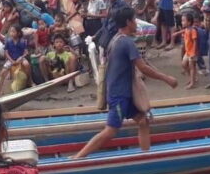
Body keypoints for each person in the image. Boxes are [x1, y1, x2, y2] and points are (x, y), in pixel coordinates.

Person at [72, 8, 177, 159]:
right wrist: (167, 79)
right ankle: (78, 158)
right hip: (119, 94)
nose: (136, 23)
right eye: (134, 20)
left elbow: (142, 63)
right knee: (110, 131)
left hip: (123, 92)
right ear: (128, 22)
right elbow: (143, 68)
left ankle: (146, 157)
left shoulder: (116, 39)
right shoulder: (127, 42)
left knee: (143, 120)